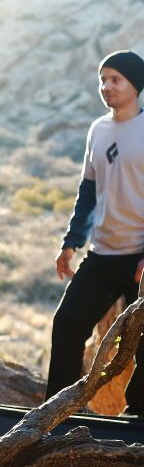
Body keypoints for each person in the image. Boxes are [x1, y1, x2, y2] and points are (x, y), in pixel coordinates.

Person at [45, 50, 144, 415]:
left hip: (140, 257)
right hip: (102, 254)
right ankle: (58, 411)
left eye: (115, 79)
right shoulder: (98, 130)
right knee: (67, 323)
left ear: (135, 85)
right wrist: (71, 242)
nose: (107, 87)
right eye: (103, 80)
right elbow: (88, 190)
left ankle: (138, 416)